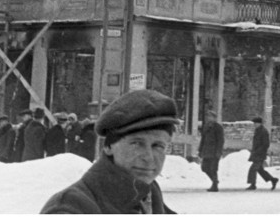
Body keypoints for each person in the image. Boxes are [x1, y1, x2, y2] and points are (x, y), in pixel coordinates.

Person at [40, 89, 178, 213]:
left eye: (158, 146)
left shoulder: (148, 196)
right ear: (108, 146)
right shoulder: (71, 209)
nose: (149, 157)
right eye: (137, 143)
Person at [246, 117, 277, 190]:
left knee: (253, 169)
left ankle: (253, 185)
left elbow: (266, 144)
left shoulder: (263, 131)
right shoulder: (258, 130)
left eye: (256, 123)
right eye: (254, 123)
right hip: (256, 154)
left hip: (260, 154)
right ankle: (273, 180)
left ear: (259, 123)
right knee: (260, 170)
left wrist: (258, 151)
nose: (254, 124)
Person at [198, 110, 224, 192]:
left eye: (210, 116)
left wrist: (218, 152)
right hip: (206, 151)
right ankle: (215, 181)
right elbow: (203, 139)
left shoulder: (218, 127)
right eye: (207, 116)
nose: (208, 118)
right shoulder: (206, 127)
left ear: (214, 118)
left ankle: (215, 185)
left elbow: (220, 141)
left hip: (214, 152)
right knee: (204, 168)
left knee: (213, 169)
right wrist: (200, 150)